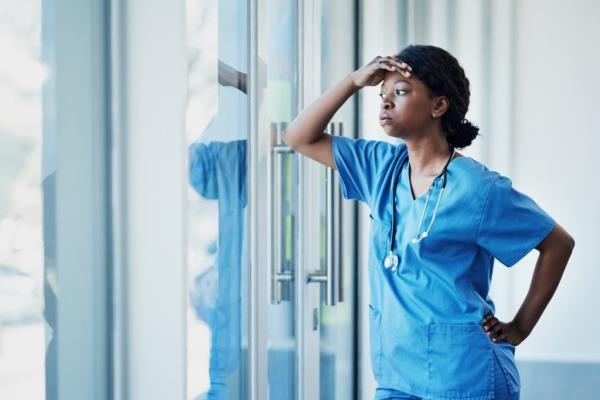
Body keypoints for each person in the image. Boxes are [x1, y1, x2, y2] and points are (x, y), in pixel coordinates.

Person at [283, 44, 575, 400]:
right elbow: (298, 136)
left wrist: (520, 327)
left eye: (401, 92)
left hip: (465, 376)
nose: (386, 102)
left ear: (439, 105)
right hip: (396, 377)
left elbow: (558, 243)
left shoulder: (479, 189)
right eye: (382, 94)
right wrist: (353, 82)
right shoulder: (379, 166)